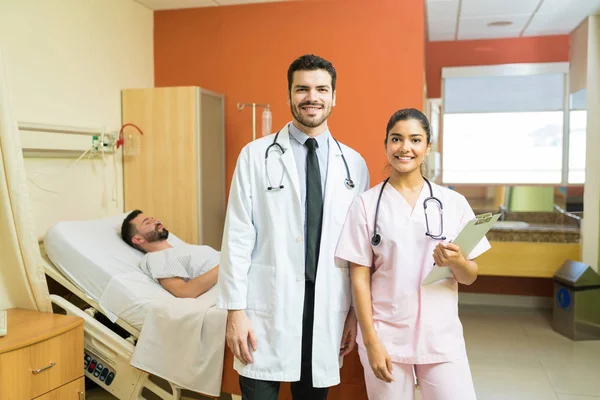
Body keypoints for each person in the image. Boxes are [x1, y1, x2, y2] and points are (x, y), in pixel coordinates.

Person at [216, 54, 370, 399]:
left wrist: (351, 315)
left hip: (326, 305)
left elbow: (357, 247)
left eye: (321, 89)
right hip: (267, 307)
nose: (311, 97)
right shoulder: (255, 156)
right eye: (302, 89)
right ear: (289, 95)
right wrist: (235, 312)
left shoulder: (354, 165)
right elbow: (238, 235)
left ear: (333, 96)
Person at [335, 108, 490, 400]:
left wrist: (457, 262)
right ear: (386, 144)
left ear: (428, 146)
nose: (405, 148)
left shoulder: (453, 203)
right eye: (396, 139)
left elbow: (470, 276)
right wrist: (370, 340)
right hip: (386, 335)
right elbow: (359, 279)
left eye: (415, 140)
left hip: (441, 337)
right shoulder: (366, 205)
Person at [121, 209, 219, 299]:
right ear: (138, 239)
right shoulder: (157, 258)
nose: (156, 220)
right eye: (147, 222)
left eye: (153, 218)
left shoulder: (181, 249)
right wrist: (226, 266)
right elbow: (185, 292)